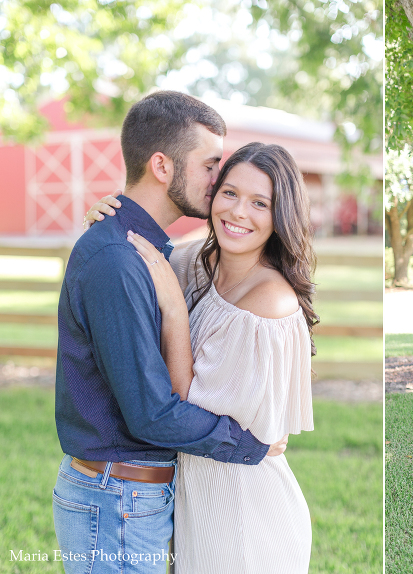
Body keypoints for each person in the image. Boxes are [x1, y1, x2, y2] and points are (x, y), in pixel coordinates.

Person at [54, 91, 288, 574]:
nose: (217, 180)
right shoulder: (119, 260)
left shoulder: (147, 248)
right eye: (209, 165)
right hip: (116, 498)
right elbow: (152, 415)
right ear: (162, 166)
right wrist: (252, 445)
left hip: (125, 496)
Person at [86, 142, 316, 573]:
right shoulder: (198, 261)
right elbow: (131, 258)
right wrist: (111, 217)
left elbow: (183, 406)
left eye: (260, 203)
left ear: (281, 215)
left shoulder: (269, 302)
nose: (238, 212)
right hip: (197, 507)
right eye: (229, 193)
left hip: (246, 516)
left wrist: (175, 311)